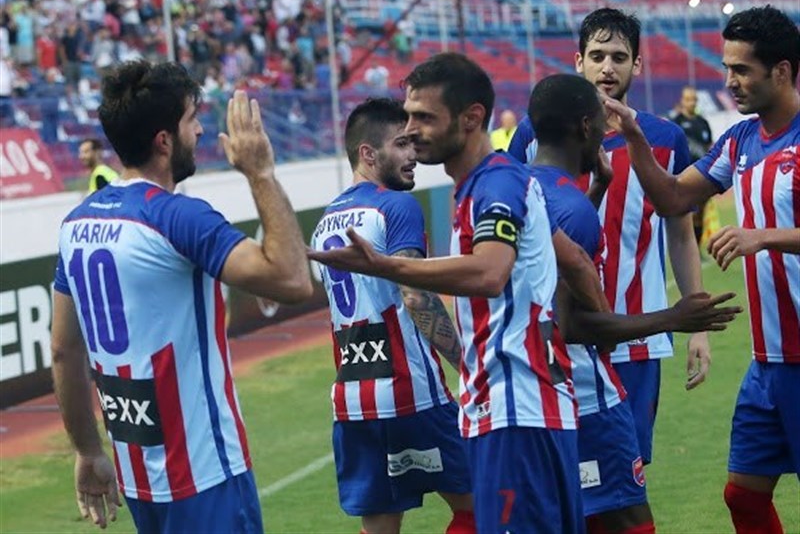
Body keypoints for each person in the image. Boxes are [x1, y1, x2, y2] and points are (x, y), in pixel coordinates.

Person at [310, 52, 610, 534]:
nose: (412, 133)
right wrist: (604, 332)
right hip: (516, 406)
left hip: (512, 410)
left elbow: (490, 272)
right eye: (407, 122)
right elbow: (572, 259)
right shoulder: (486, 185)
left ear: (471, 118)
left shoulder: (494, 184)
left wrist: (385, 265)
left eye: (423, 118)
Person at [50, 60, 313, 532]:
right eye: (192, 119)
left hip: (138, 480)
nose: (201, 130)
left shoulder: (75, 225)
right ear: (164, 141)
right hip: (204, 474)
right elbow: (293, 280)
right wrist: (261, 172)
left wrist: (88, 450)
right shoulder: (177, 216)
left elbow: (64, 351)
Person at [603, 5, 799, 534]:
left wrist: (764, 236)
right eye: (727, 67)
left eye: (742, 70)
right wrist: (635, 137)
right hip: (767, 362)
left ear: (782, 71)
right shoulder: (740, 140)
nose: (729, 81)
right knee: (743, 497)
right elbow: (671, 198)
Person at [528, 74, 742, 534]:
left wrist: (596, 193)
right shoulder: (571, 206)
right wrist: (674, 317)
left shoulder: (516, 189)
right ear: (586, 127)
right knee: (627, 512)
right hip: (584, 387)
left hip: (528, 386)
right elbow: (574, 325)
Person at [509, 8, 710, 468]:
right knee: (559, 470)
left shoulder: (664, 139)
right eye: (597, 56)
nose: (607, 67)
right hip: (555, 336)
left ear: (637, 64)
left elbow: (681, 235)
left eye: (619, 57)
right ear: (578, 60)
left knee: (627, 471)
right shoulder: (534, 134)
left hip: (636, 339)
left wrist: (697, 327)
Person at [311, 97, 474, 534]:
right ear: (368, 153)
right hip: (411, 392)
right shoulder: (396, 206)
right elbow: (416, 297)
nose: (412, 154)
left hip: (353, 401)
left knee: (380, 526)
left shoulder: (325, 221)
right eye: (401, 144)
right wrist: (468, 365)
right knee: (482, 504)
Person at [668, 86, 715, 246]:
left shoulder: (703, 123)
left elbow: (709, 147)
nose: (692, 103)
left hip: (702, 177)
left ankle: (696, 249)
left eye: (694, 99)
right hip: (682, 177)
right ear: (682, 101)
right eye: (688, 99)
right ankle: (685, 248)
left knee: (700, 215)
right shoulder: (676, 123)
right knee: (686, 215)